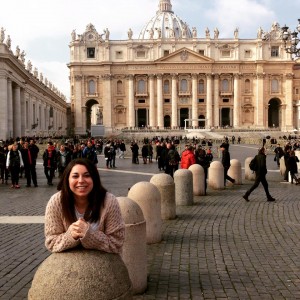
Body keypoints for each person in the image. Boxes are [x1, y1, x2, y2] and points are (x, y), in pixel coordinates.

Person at [44, 158, 125, 253]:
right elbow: (51, 243)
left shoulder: (109, 201)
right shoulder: (56, 202)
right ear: (67, 179)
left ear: (94, 179)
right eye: (75, 176)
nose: (81, 180)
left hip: (103, 264)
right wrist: (70, 236)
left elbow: (117, 243)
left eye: (87, 175)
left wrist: (90, 235)